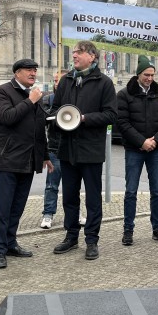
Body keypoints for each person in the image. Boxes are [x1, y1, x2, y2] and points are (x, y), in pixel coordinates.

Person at [51, 41, 117, 261]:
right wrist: (58, 119)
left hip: (90, 150)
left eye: (79, 52)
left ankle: (91, 240)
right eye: (74, 52)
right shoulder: (66, 81)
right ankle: (71, 237)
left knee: (92, 199)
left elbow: (110, 115)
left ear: (92, 56)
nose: (74, 55)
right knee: (69, 197)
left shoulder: (104, 83)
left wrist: (84, 119)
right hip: (68, 150)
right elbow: (55, 110)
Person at [0, 59, 52, 269]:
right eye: (29, 70)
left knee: (17, 208)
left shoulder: (35, 94)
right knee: (3, 208)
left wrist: (44, 155)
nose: (33, 73)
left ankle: (10, 243)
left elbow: (39, 129)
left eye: (35, 70)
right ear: (17, 73)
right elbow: (8, 117)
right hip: (7, 160)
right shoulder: (3, 92)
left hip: (28, 160)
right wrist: (30, 101)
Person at [117, 56, 158, 246]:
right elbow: (123, 123)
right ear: (138, 74)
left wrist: (156, 140)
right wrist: (142, 141)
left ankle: (157, 228)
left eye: (152, 75)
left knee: (157, 191)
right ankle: (128, 229)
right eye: (146, 75)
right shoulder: (124, 94)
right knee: (131, 191)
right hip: (135, 149)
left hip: (155, 149)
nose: (149, 78)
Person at [41, 70, 81, 229]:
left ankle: (75, 214)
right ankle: (48, 214)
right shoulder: (48, 99)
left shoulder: (77, 98)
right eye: (56, 80)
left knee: (73, 185)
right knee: (52, 185)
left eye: (60, 80)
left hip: (73, 148)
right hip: (55, 147)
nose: (57, 83)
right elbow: (45, 118)